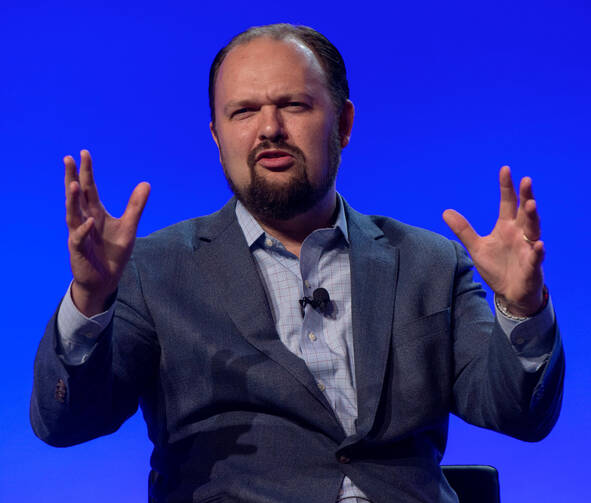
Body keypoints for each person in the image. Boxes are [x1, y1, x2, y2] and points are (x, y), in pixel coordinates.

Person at [31, 23, 564, 503]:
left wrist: (521, 307)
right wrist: (89, 301)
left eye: (294, 105)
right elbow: (64, 421)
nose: (269, 129)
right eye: (243, 111)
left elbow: (519, 412)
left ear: (344, 123)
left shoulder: (428, 260)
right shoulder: (154, 268)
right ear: (218, 138)